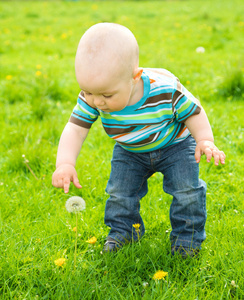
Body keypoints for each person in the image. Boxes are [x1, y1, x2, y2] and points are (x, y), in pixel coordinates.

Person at [52, 23, 225, 257]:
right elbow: (75, 128)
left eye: (106, 95)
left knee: (187, 191)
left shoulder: (165, 90)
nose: (97, 102)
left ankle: (187, 239)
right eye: (88, 92)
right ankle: (124, 232)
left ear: (135, 78)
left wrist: (204, 140)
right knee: (120, 193)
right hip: (130, 150)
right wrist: (65, 162)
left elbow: (193, 112)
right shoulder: (93, 95)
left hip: (176, 145)